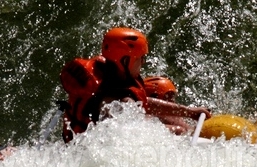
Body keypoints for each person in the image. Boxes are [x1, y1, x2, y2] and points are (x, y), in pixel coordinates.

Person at [59, 27, 211, 142]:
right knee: (178, 131)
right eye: (140, 58)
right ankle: (191, 133)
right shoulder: (117, 102)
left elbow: (144, 102)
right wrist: (178, 131)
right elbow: (129, 138)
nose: (143, 62)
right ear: (125, 61)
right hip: (88, 149)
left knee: (160, 88)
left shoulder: (107, 70)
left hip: (91, 129)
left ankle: (192, 129)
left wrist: (189, 111)